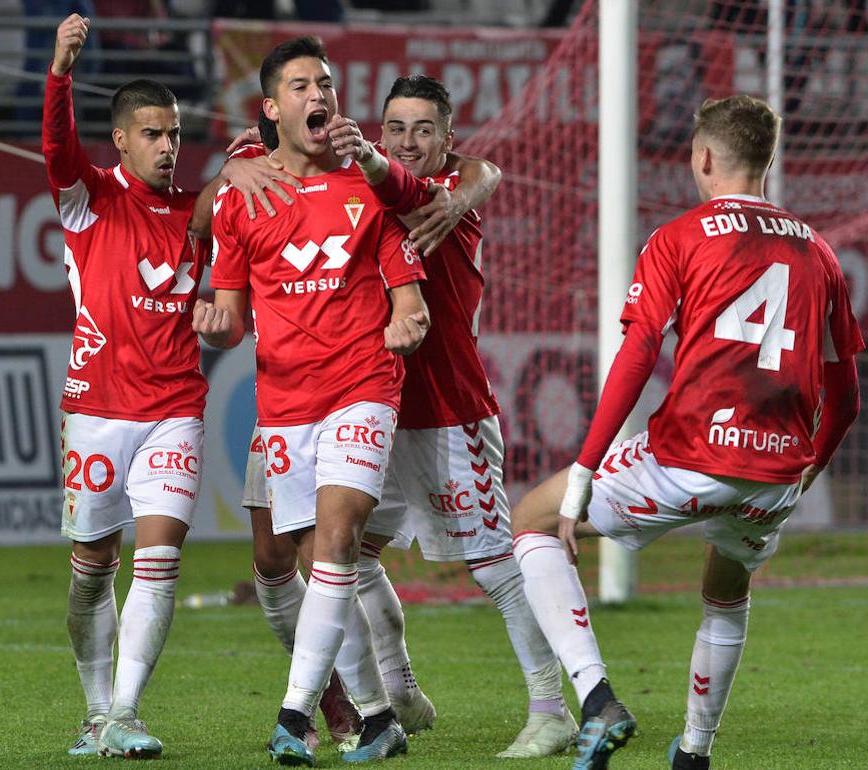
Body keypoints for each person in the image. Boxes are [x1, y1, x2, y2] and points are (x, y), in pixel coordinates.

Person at [507, 95, 863, 770]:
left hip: (683, 459)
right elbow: (845, 399)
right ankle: (695, 751)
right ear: (769, 159)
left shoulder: (680, 237)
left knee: (531, 518)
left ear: (703, 157)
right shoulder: (821, 254)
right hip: (777, 471)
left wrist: (584, 470)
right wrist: (807, 469)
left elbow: (638, 358)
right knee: (727, 592)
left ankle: (597, 698)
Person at [43, 14, 293, 759]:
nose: (165, 146)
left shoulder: (196, 215)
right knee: (92, 572)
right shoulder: (88, 200)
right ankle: (95, 713)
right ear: (121, 138)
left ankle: (124, 710)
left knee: (159, 560)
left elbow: (231, 202)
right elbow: (57, 147)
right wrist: (62, 70)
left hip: (174, 413)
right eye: (152, 134)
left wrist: (247, 162)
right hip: (94, 411)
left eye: (174, 134)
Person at [322, 74, 580, 759]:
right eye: (396, 128)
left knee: (494, 565)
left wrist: (457, 179)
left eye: (424, 130)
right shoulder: (366, 192)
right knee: (346, 550)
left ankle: (552, 709)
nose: (409, 141)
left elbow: (472, 174)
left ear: (447, 142)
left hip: (446, 413)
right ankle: (402, 692)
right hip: (374, 409)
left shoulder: (441, 203)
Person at [196, 35, 429, 766]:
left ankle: (295, 715)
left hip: (361, 388)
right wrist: (213, 323)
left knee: (337, 540)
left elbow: (411, 298)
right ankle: (376, 715)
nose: (317, 95)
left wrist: (407, 319)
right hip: (286, 403)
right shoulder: (242, 197)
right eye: (299, 85)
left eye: (324, 83)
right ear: (272, 108)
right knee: (313, 556)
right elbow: (231, 315)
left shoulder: (370, 183)